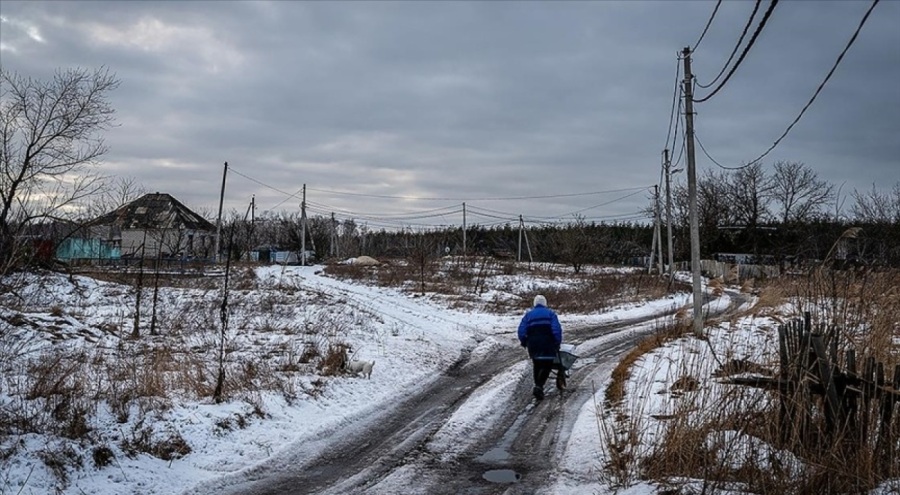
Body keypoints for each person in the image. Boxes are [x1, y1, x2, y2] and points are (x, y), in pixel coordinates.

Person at [517, 294, 563, 400]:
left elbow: (521, 330)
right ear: (545, 303)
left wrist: (524, 341)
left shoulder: (528, 315)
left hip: (533, 344)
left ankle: (538, 386)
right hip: (548, 343)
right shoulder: (551, 314)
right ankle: (539, 386)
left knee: (537, 364)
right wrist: (557, 342)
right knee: (547, 365)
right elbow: (556, 329)